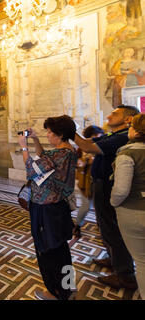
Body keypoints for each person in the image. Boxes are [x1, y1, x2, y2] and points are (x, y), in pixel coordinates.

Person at [71, 105, 140, 290]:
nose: (109, 116)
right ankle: (114, 260)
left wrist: (70, 130)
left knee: (112, 230)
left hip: (109, 187)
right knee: (105, 226)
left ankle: (124, 275)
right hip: (101, 185)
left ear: (128, 119)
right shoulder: (112, 135)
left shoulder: (123, 136)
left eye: (115, 114)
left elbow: (87, 146)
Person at [18, 115, 78, 300]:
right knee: (61, 250)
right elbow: (45, 158)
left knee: (46, 251)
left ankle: (54, 292)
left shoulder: (58, 155)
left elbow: (30, 169)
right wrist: (35, 139)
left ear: (59, 135)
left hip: (45, 209)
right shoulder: (69, 151)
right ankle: (68, 288)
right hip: (59, 207)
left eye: (50, 133)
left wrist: (24, 146)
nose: (48, 135)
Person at [111, 113, 145, 298]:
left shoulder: (128, 153)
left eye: (131, 126)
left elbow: (121, 190)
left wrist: (113, 203)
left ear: (137, 131)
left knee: (141, 261)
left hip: (134, 212)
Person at [73, 125, 105, 238]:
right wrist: (84, 161)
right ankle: (77, 225)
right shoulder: (81, 149)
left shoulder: (102, 147)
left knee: (100, 206)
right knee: (86, 206)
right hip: (85, 182)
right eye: (96, 135)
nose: (99, 137)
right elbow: (77, 164)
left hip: (99, 182)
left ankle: (101, 227)